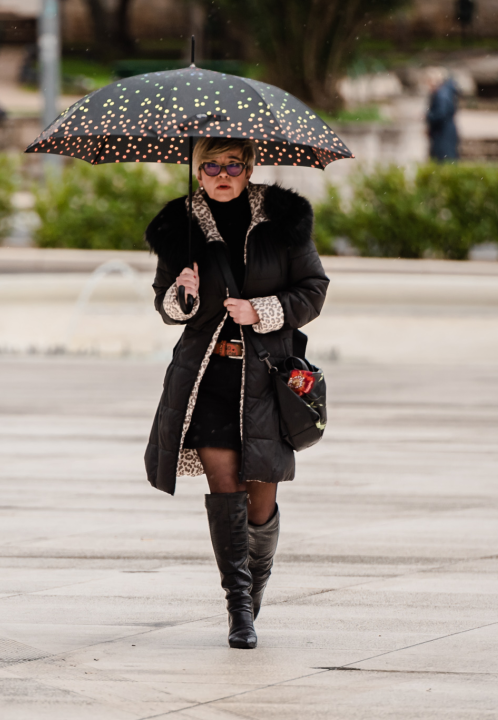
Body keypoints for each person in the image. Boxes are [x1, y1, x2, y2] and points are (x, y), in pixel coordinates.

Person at [143, 138, 329, 649]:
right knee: (225, 487)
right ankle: (238, 607)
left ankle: (255, 587)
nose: (221, 174)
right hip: (207, 379)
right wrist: (183, 295)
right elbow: (166, 306)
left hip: (266, 379)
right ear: (197, 170)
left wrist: (262, 309)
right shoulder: (176, 226)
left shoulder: (283, 220)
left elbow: (314, 289)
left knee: (260, 498)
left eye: (232, 165)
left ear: (248, 169)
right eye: (210, 166)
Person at [425, 67, 460, 162]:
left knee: (444, 158)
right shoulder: (445, 92)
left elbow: (441, 113)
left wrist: (428, 116)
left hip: (443, 132)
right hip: (445, 131)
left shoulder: (441, 94)